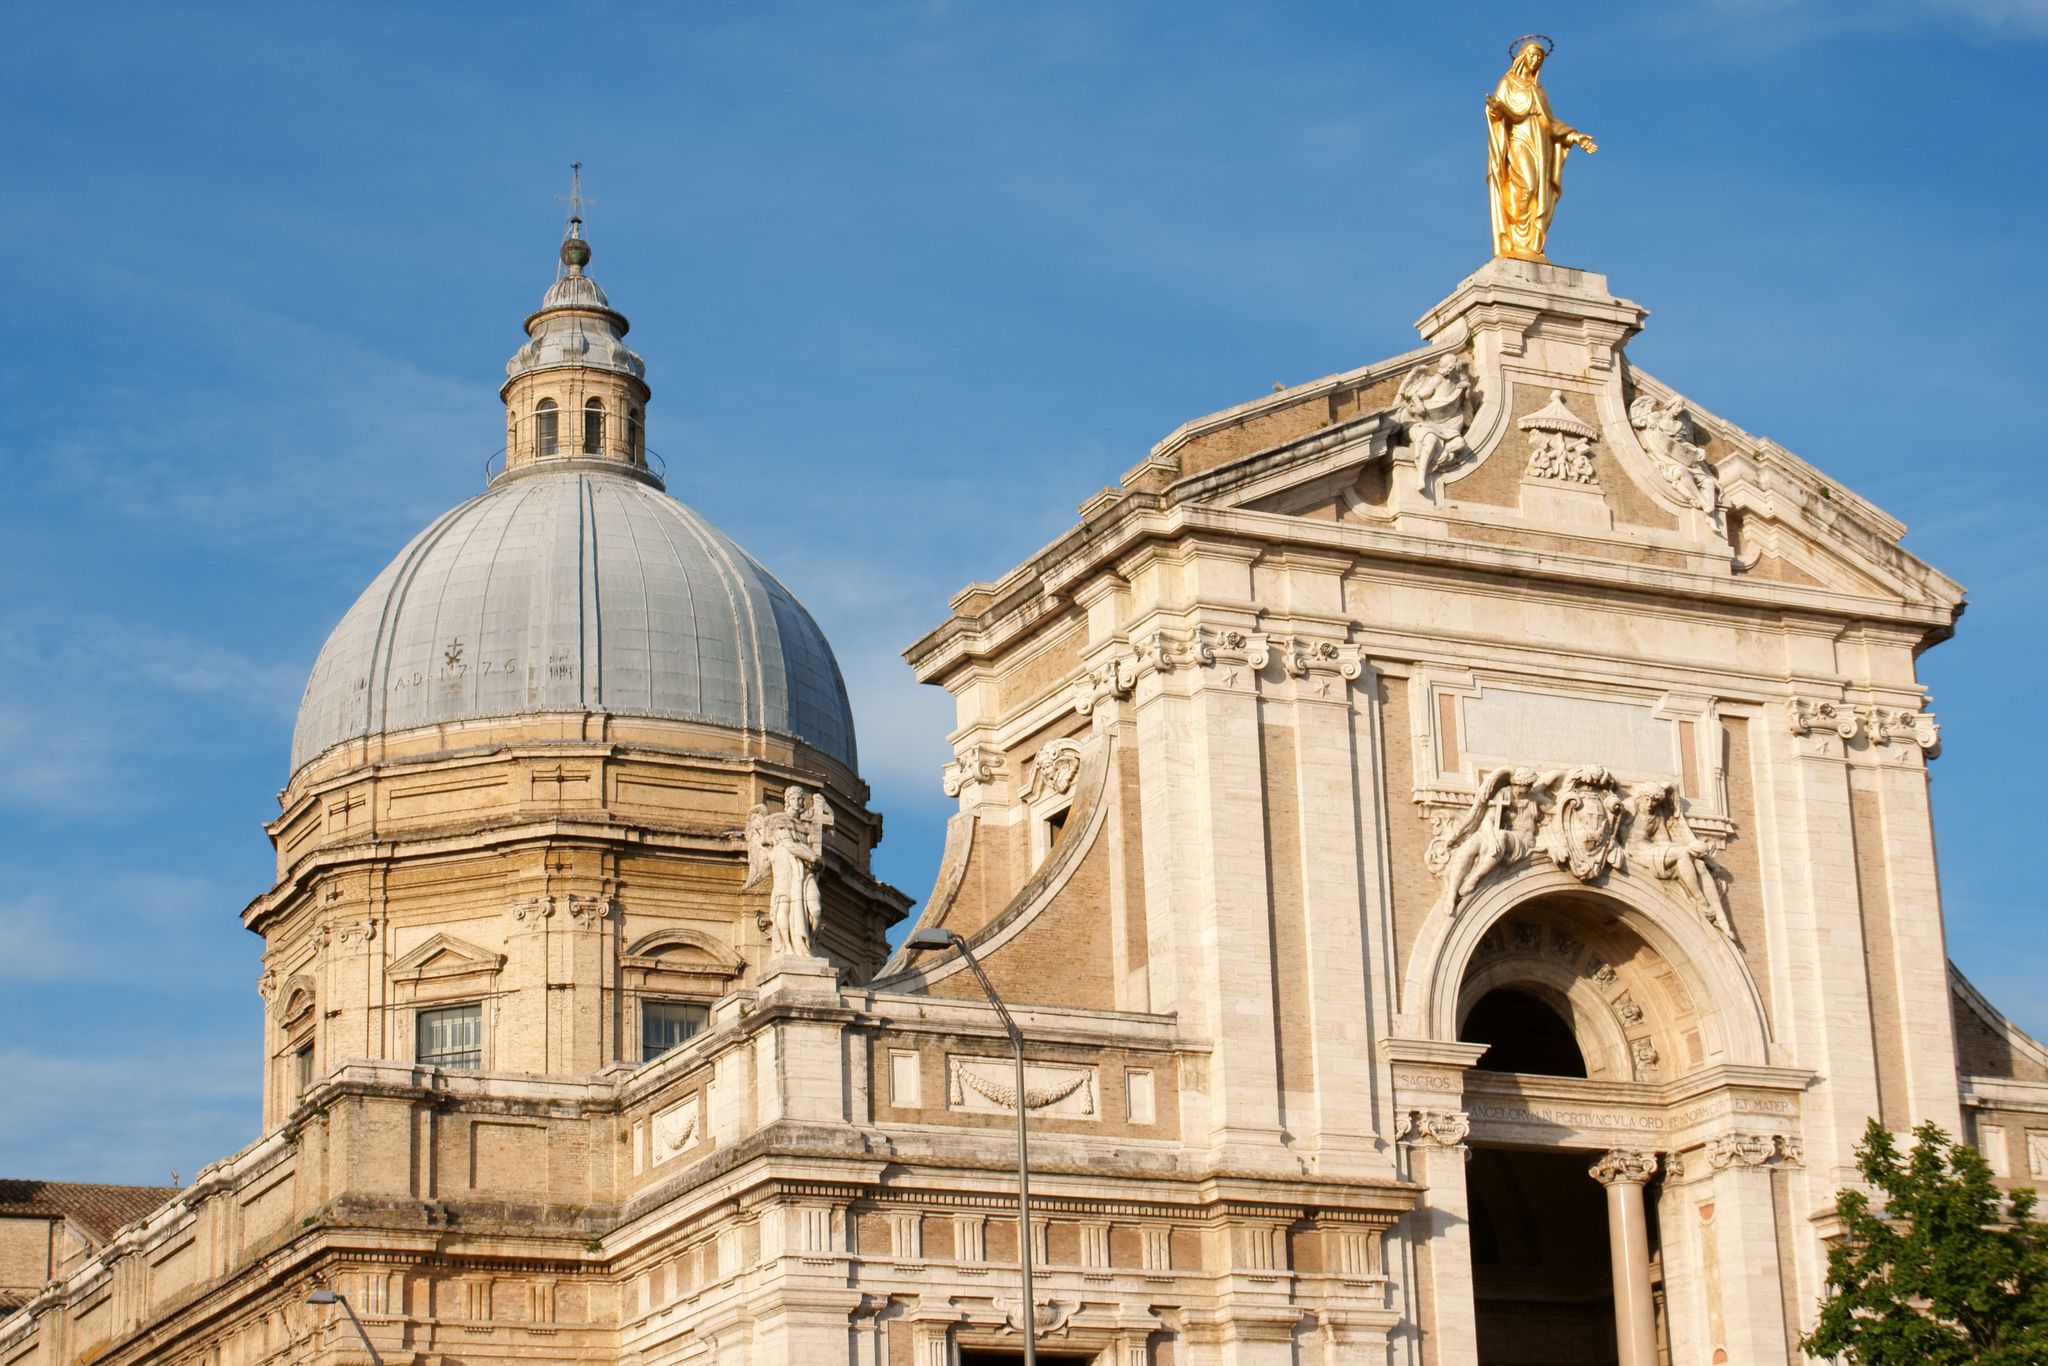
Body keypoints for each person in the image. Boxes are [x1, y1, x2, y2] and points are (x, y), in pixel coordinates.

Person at [1486, 38, 1597, 261]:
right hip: (1519, 138)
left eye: (1540, 58)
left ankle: (1530, 244)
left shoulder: (1538, 90)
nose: (1536, 60)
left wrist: (1574, 136)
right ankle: (1517, 238)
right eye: (1533, 56)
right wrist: (1497, 109)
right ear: (1523, 57)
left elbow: (1550, 122)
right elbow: (1499, 112)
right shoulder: (1508, 83)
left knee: (1539, 190)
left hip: (1540, 142)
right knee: (1527, 185)